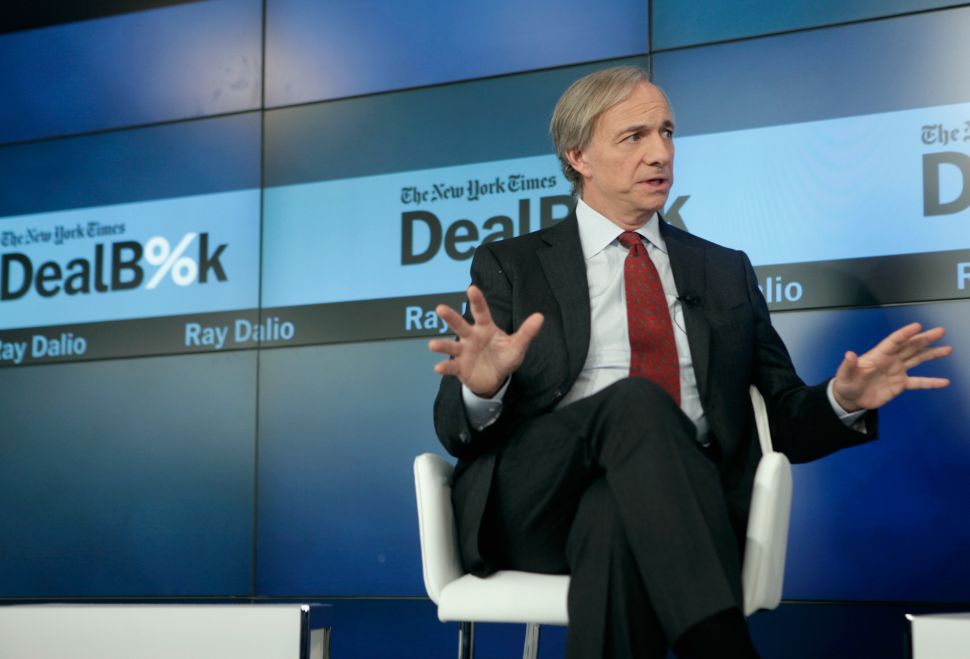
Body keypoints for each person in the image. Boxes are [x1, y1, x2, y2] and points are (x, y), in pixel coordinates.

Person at [428, 66, 951, 659]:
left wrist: (843, 400)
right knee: (634, 401)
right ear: (579, 156)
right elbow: (454, 429)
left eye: (668, 132)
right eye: (634, 137)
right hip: (538, 504)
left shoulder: (723, 270)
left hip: (680, 500)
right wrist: (485, 387)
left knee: (616, 518)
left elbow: (779, 420)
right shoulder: (513, 264)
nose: (661, 153)